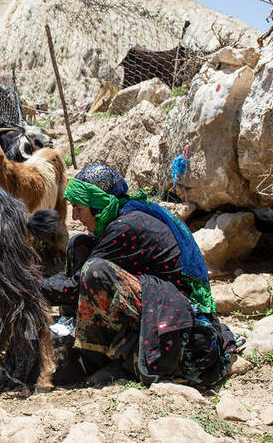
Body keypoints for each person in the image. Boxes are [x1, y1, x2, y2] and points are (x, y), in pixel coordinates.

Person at [42, 163, 236, 386]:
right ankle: (80, 335)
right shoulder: (119, 218)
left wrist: (30, 286)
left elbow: (78, 286)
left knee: (96, 272)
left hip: (171, 311)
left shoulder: (126, 226)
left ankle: (106, 357)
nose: (75, 217)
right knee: (80, 244)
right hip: (152, 297)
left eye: (79, 208)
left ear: (98, 204)